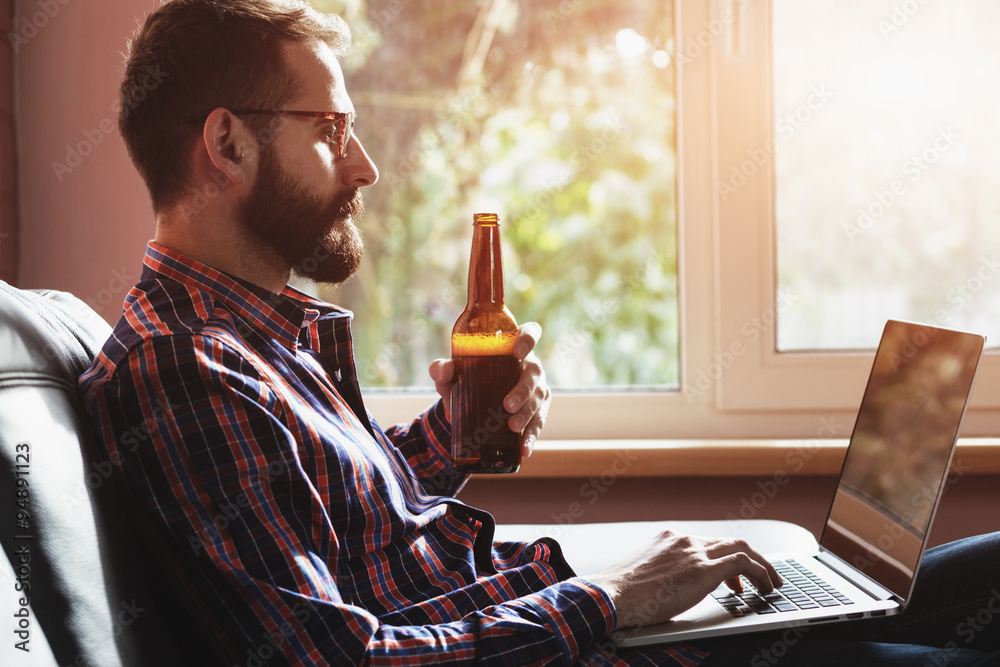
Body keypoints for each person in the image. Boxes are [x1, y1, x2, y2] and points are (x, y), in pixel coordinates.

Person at [79, 1, 999, 665]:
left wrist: (449, 437)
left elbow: (350, 533)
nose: (362, 165)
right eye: (329, 128)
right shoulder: (181, 369)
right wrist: (611, 597)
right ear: (228, 144)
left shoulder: (250, 340)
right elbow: (339, 657)